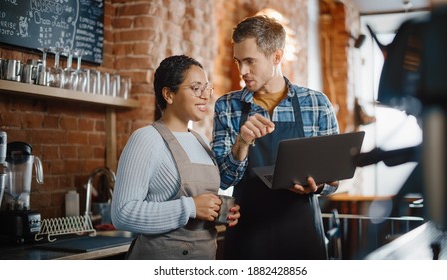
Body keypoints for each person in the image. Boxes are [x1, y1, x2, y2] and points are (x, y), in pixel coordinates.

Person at [211, 15, 340, 260]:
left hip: (303, 234)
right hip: (248, 235)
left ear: (277, 57)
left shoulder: (316, 103)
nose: (243, 71)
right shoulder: (227, 106)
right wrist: (242, 143)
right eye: (238, 61)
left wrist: (320, 184)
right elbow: (223, 179)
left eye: (250, 61)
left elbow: (333, 179)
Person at [111, 55, 240, 260]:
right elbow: (122, 214)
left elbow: (201, 208)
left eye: (206, 88)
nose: (205, 95)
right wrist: (190, 207)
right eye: (196, 88)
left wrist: (219, 212)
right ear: (169, 94)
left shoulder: (201, 142)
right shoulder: (146, 139)